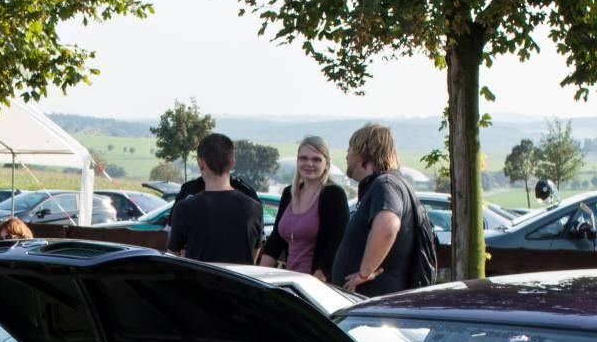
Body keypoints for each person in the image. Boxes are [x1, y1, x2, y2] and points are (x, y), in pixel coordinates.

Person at [333, 124, 432, 295]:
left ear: (363, 150)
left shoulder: (385, 184)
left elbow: (388, 226)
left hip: (373, 301)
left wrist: (364, 273)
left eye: (350, 148)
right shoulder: (390, 183)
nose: (346, 154)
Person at [256, 135, 347, 278]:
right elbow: (276, 240)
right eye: (303, 158)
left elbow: (337, 244)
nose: (309, 163)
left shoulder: (334, 195)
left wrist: (317, 280)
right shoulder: (289, 193)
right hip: (289, 279)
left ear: (326, 164)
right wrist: (258, 276)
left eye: (316, 159)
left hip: (317, 283)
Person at [166, 132, 263, 264]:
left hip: (198, 277)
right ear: (233, 162)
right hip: (238, 278)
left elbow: (172, 258)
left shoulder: (184, 208)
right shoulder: (255, 208)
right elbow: (253, 256)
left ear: (200, 162)